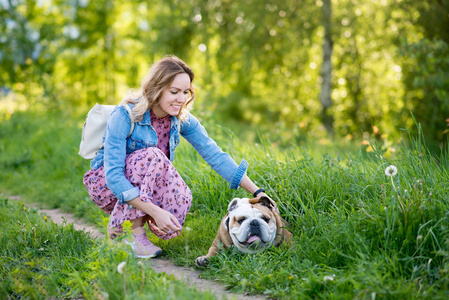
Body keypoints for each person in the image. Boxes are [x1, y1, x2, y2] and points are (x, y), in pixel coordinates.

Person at [83, 55, 273, 258]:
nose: (181, 99)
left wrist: (257, 192)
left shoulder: (180, 118)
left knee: (182, 196)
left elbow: (214, 154)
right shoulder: (125, 115)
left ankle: (130, 224)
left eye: (185, 92)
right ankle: (131, 234)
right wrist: (155, 211)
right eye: (174, 92)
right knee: (152, 156)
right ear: (156, 89)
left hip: (137, 183)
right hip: (105, 184)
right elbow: (114, 175)